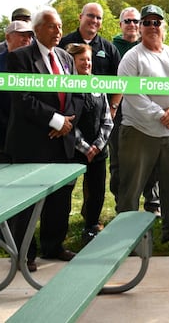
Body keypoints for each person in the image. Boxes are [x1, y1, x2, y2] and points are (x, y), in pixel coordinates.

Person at [5, 7, 80, 271]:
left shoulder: (66, 58)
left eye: (59, 26)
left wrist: (68, 122)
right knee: (28, 201)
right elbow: (22, 99)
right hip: (32, 141)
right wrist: (55, 120)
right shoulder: (19, 58)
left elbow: (75, 93)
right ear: (36, 30)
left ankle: (54, 245)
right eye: (51, 26)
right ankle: (25, 253)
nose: (58, 31)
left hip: (62, 140)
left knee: (60, 199)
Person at [117, 4, 169, 245]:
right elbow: (131, 94)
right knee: (131, 185)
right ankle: (125, 236)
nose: (152, 27)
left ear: (164, 27)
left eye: (157, 22)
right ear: (140, 28)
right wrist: (158, 114)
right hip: (139, 130)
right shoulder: (131, 58)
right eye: (147, 23)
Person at [110, 6, 161, 215]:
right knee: (119, 162)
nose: (132, 24)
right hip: (119, 114)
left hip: (149, 113)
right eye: (127, 21)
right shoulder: (111, 48)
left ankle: (153, 202)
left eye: (135, 21)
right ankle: (123, 205)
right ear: (121, 25)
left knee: (151, 159)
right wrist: (112, 106)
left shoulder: (151, 47)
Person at [66, 42, 114, 246]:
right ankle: (59, 228)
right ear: (72, 61)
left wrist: (98, 145)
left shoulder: (97, 83)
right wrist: (85, 147)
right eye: (82, 59)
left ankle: (92, 226)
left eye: (89, 60)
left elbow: (107, 118)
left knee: (96, 191)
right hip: (73, 150)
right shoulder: (66, 84)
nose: (86, 63)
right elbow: (67, 118)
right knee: (64, 193)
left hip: (98, 150)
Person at [0, 20, 34, 163]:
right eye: (22, 35)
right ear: (8, 37)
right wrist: (9, 125)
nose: (27, 39)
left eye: (29, 36)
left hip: (28, 138)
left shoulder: (34, 64)